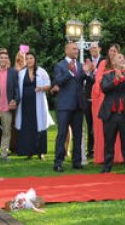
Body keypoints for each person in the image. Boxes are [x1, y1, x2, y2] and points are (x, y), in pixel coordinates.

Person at [100, 51, 125, 174]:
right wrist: (115, 81)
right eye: (119, 58)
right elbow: (104, 88)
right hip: (110, 115)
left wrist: (122, 78)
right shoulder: (107, 75)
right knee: (109, 142)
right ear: (113, 61)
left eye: (123, 57)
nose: (122, 59)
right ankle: (107, 167)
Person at [51, 41, 87, 172]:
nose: (76, 51)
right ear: (66, 51)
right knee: (62, 134)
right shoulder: (60, 65)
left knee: (78, 135)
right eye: (73, 49)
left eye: (77, 49)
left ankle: (76, 162)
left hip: (78, 105)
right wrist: (70, 73)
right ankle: (58, 162)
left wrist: (88, 73)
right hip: (64, 105)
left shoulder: (81, 65)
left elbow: (86, 81)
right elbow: (58, 81)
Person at [15, 52, 51, 161]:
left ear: (35, 60)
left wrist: (41, 88)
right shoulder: (21, 73)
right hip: (25, 105)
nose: (29, 60)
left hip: (38, 104)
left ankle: (40, 152)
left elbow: (48, 85)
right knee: (27, 127)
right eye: (27, 58)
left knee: (39, 127)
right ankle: (28, 152)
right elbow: (16, 88)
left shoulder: (41, 71)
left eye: (31, 58)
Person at [92, 44, 124, 165]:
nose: (112, 53)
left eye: (115, 51)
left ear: (118, 53)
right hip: (103, 97)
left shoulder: (122, 63)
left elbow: (124, 78)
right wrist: (112, 75)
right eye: (110, 50)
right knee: (102, 127)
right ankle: (102, 156)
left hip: (116, 97)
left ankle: (117, 156)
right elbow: (99, 79)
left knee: (117, 126)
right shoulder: (103, 63)